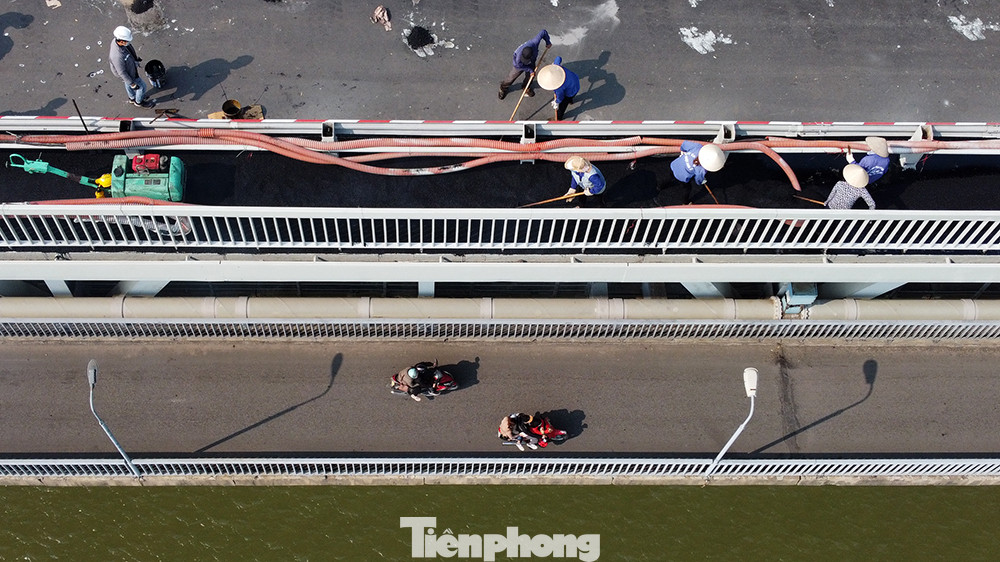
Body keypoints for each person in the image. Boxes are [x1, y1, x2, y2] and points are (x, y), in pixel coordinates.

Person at [109, 26, 155, 108]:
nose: (129, 42)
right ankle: (138, 102)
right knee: (142, 87)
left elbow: (129, 49)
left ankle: (132, 98)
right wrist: (132, 84)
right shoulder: (117, 56)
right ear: (121, 41)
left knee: (127, 82)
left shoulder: (118, 42)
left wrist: (135, 59)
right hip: (127, 72)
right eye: (127, 41)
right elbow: (122, 72)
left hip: (128, 66)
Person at [498, 30, 551, 100]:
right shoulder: (517, 60)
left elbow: (543, 32)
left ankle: (526, 87)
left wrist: (548, 42)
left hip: (531, 62)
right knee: (512, 77)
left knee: (531, 76)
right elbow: (521, 66)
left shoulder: (534, 42)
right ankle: (503, 88)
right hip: (519, 66)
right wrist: (530, 70)